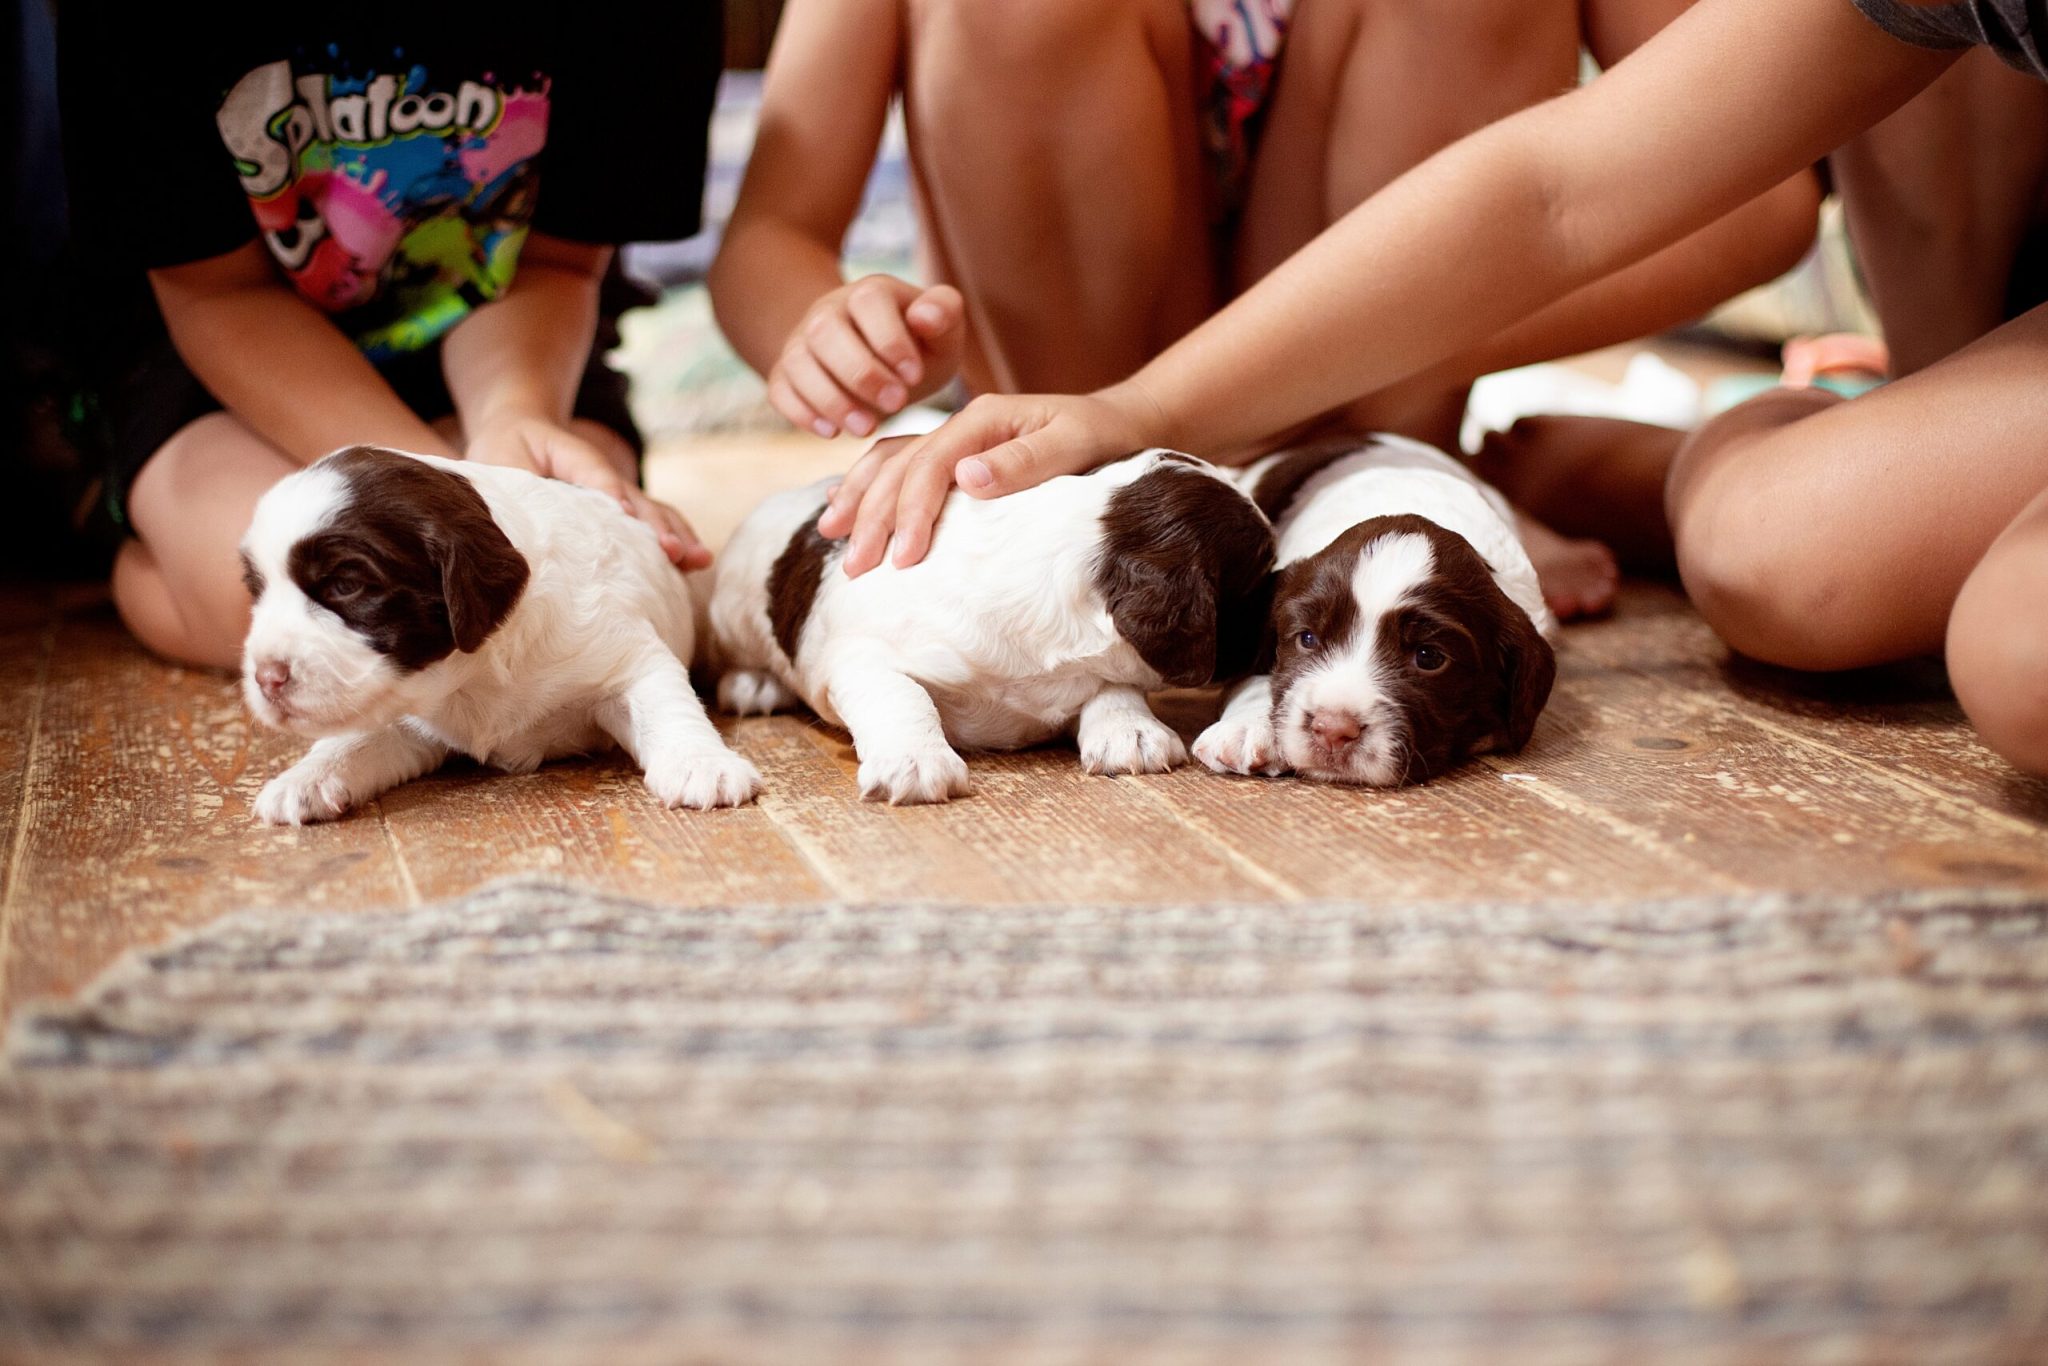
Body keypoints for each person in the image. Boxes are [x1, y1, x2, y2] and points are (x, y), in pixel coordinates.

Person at [821, 0, 2048, 776]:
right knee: (1808, 563)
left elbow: (1740, 201)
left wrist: (1392, 361)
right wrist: (1138, 410)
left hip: (1357, 379)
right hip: (1112, 356)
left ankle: (1407, 481)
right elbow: (1552, 195)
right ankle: (1494, 472)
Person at [709, 0, 1821, 619]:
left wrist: (1403, 331)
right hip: (1075, 394)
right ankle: (1142, 503)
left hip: (1367, 387)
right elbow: (767, 234)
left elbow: (1763, 203)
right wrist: (824, 323)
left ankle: (1362, 460)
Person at [60, 2, 722, 670]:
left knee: (569, 588)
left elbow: (555, 266)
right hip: (229, 354)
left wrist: (513, 416)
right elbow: (219, 295)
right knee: (271, 608)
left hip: (518, 341)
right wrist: (440, 482)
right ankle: (124, 531)